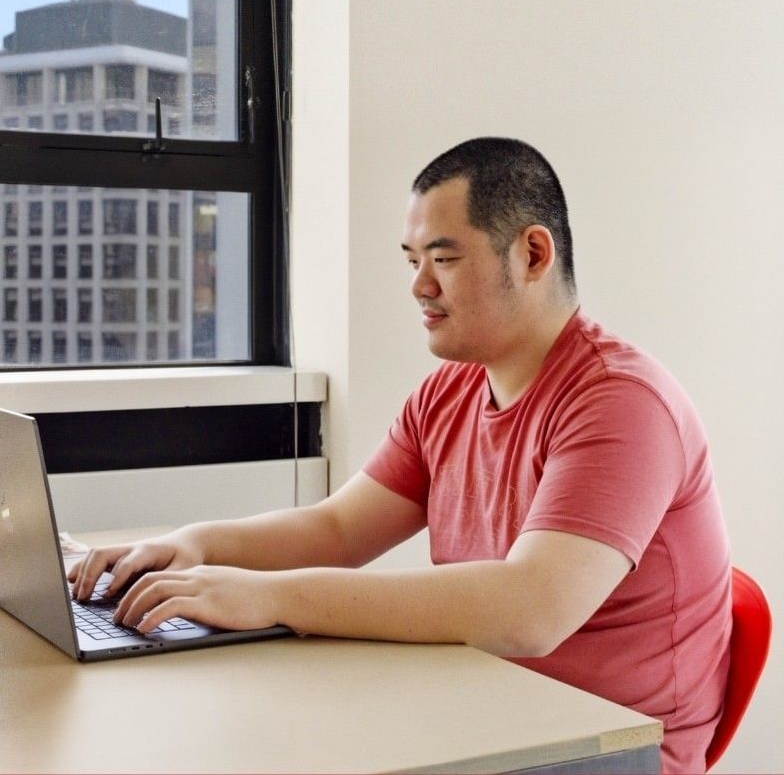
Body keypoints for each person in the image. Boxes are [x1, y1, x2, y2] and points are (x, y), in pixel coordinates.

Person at [69, 137, 732, 772]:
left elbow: (531, 612)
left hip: (600, 753)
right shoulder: (450, 390)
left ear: (532, 255)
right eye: (411, 260)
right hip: (485, 716)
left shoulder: (620, 402)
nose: (419, 286)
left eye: (443, 259)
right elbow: (338, 530)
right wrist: (198, 546)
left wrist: (267, 597)